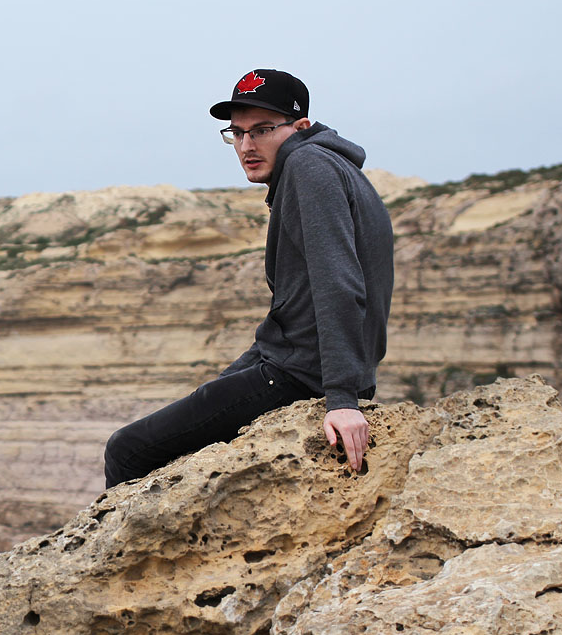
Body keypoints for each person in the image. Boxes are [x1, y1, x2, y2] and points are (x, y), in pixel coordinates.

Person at [104, 68, 393, 488]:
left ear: (301, 127)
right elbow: (293, 312)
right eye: (236, 134)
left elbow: (339, 283)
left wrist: (343, 399)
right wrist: (229, 381)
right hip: (288, 364)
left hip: (300, 377)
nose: (246, 146)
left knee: (128, 449)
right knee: (193, 423)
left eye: (261, 130)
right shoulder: (323, 165)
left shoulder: (308, 167)